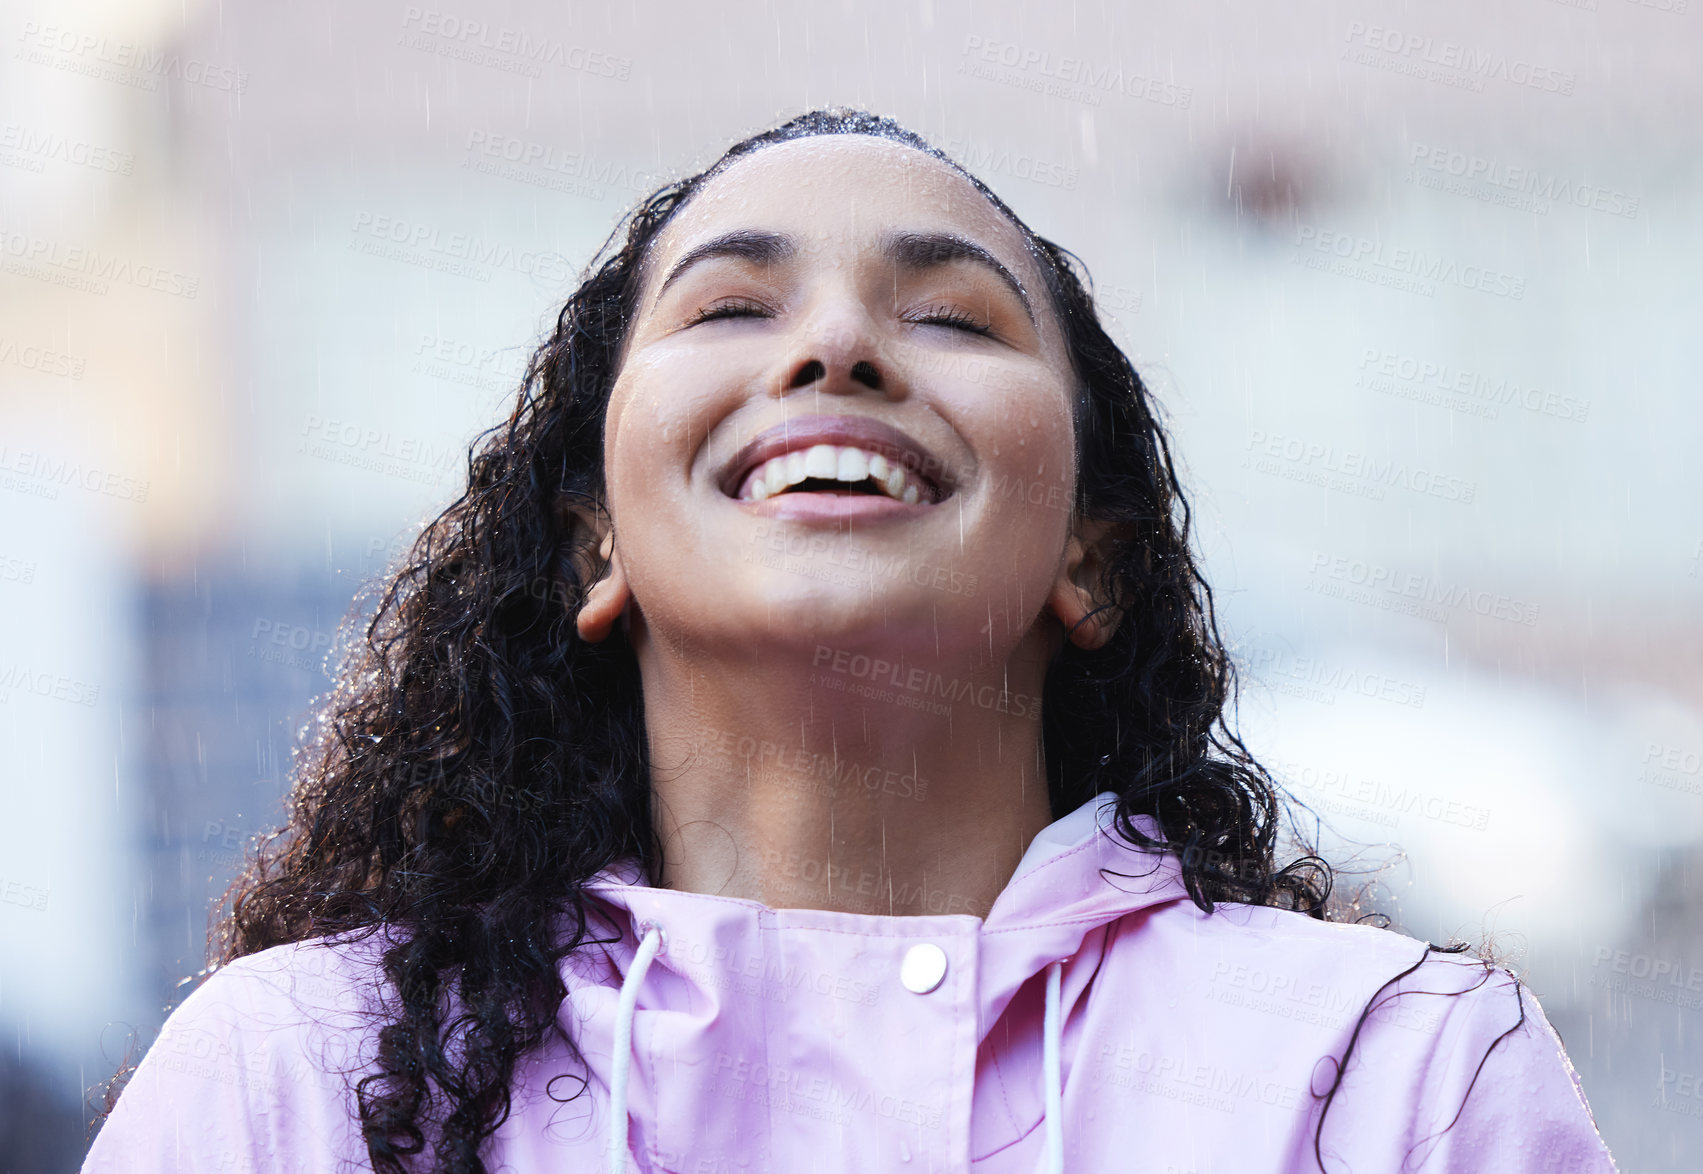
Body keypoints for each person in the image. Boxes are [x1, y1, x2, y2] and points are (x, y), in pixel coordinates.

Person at [83, 108, 1617, 1174]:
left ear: (1093, 548)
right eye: (732, 305)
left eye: (952, 318)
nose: (836, 344)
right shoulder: (297, 1080)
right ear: (593, 541)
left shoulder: (1392, 1079)